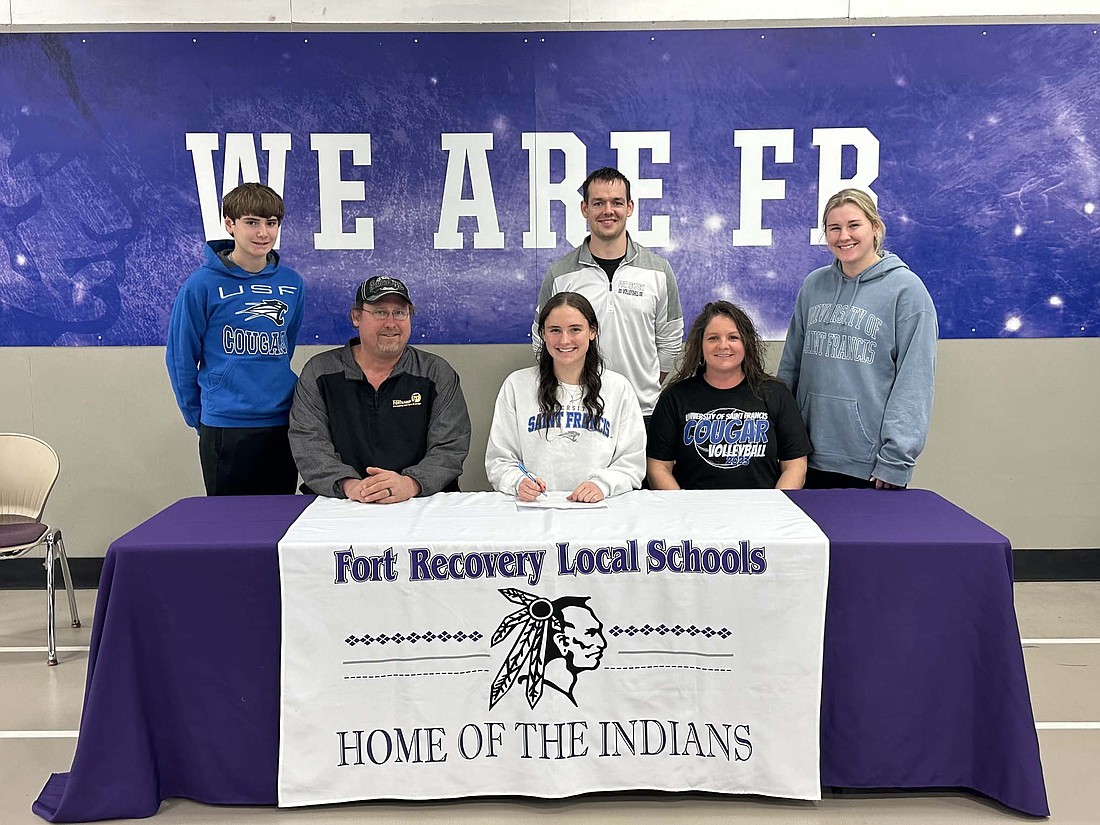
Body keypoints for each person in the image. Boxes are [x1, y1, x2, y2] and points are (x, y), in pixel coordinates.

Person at [777, 188, 938, 490]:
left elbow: (914, 382)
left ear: (875, 228)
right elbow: (790, 367)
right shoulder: (814, 285)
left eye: (854, 225)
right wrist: (781, 439)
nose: (843, 236)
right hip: (803, 459)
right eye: (834, 228)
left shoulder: (907, 291)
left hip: (871, 466)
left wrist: (896, 458)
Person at [166, 182, 304, 496]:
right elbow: (180, 357)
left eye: (271, 223)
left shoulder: (292, 283)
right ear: (230, 224)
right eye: (252, 222)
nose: (263, 233)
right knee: (228, 529)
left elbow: (286, 345)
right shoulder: (201, 285)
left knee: (276, 526)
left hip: (281, 422)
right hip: (225, 425)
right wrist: (200, 415)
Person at [289, 276, 471, 502]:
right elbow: (308, 443)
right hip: (340, 503)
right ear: (356, 317)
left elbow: (450, 447)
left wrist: (410, 484)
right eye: (380, 312)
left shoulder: (436, 373)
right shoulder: (319, 372)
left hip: (421, 502)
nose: (391, 323)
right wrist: (350, 486)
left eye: (400, 312)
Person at [532, 167, 683, 419]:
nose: (608, 211)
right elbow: (542, 341)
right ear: (585, 209)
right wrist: (572, 392)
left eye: (617, 202)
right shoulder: (559, 274)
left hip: (641, 411)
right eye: (598, 203)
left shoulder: (659, 271)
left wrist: (644, 386)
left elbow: (670, 341)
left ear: (630, 207)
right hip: (579, 411)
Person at [487, 292, 645, 502]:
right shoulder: (516, 385)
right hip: (535, 508)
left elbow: (632, 463)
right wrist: (518, 482)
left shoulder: (619, 388)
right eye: (555, 330)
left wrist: (602, 485)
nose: (564, 340)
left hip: (600, 509)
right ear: (543, 334)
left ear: (592, 332)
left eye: (575, 329)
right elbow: (499, 459)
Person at [648, 301, 810, 490]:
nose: (723, 345)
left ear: (746, 344)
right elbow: (658, 467)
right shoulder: (674, 397)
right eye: (713, 338)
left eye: (733, 337)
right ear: (700, 346)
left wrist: (774, 507)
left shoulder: (775, 394)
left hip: (762, 513)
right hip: (694, 514)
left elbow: (796, 465)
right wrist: (684, 510)